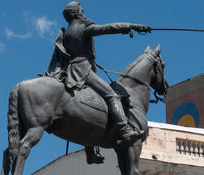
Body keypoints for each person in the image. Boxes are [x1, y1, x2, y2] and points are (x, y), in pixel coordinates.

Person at [48, 1, 151, 148]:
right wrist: (131, 26)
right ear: (77, 13)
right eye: (81, 11)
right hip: (84, 70)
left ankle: (91, 149)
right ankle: (124, 128)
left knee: (92, 103)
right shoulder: (83, 28)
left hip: (72, 69)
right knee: (112, 95)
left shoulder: (66, 33)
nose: (83, 13)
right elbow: (108, 28)